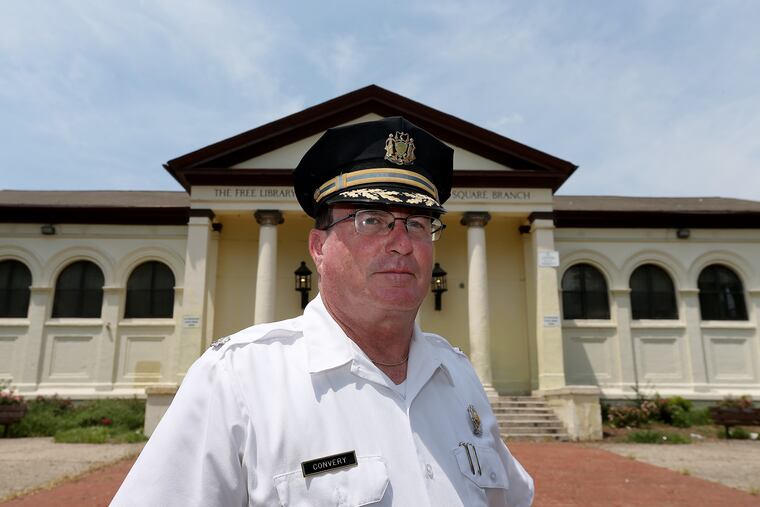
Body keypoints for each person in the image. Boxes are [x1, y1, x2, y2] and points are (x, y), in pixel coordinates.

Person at [111, 117, 534, 506]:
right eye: (372, 219)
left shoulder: (457, 376)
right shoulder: (238, 381)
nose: (402, 242)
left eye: (419, 224)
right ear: (319, 248)